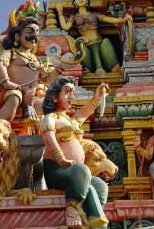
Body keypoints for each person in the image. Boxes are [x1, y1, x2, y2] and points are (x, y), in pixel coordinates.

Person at [40, 76, 110, 227]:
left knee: (99, 186)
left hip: (76, 173)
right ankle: (72, 207)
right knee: (83, 171)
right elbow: (48, 137)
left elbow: (84, 113)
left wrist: (97, 97)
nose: (71, 96)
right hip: (57, 170)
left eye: (72, 92)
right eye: (67, 92)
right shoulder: (50, 118)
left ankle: (94, 221)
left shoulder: (71, 120)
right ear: (54, 96)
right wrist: (60, 159)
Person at [0, 17, 60, 125]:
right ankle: (1, 127)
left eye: (37, 32)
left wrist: (61, 68)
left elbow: (46, 81)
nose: (34, 35)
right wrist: (6, 82)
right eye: (30, 32)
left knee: (48, 106)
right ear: (17, 36)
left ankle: (45, 135)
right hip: (9, 91)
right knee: (15, 97)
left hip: (30, 99)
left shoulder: (35, 59)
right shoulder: (11, 53)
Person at [56, 0, 131, 73]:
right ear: (75, 2)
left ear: (87, 0)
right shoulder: (74, 17)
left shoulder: (94, 14)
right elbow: (65, 27)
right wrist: (60, 12)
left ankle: (114, 67)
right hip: (84, 45)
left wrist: (122, 20)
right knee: (82, 49)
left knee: (106, 42)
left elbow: (108, 19)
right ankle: (89, 69)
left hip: (99, 41)